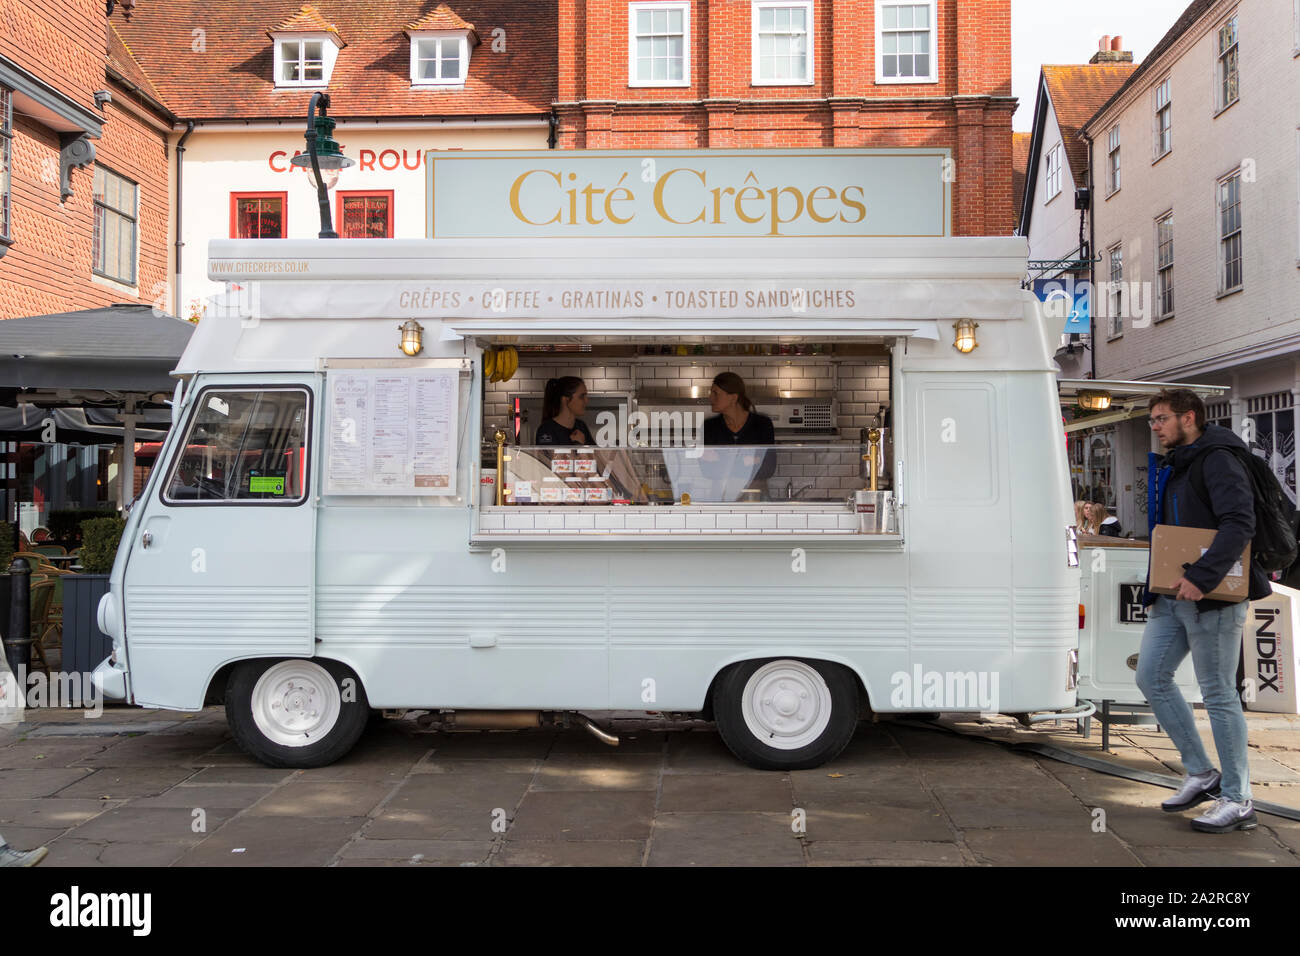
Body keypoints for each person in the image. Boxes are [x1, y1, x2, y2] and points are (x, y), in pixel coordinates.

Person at [1136, 388, 1270, 833]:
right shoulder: (1180, 462)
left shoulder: (1218, 458)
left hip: (1209, 596)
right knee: (1150, 676)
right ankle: (1201, 771)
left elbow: (1239, 523)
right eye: (1152, 420)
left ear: (1188, 417)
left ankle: (1238, 798)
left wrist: (1202, 576)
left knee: (1218, 694)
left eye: (1160, 419)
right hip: (1171, 595)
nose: (1154, 427)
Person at [703, 372, 775, 445]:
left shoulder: (763, 425)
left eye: (715, 393)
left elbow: (769, 456)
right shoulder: (708, 427)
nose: (710, 398)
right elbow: (702, 455)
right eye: (711, 393)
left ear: (733, 398)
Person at [534, 376, 594, 446]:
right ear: (565, 399)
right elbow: (552, 456)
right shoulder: (547, 430)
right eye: (581, 397)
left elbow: (597, 455)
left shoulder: (581, 426)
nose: (586, 401)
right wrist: (580, 445)